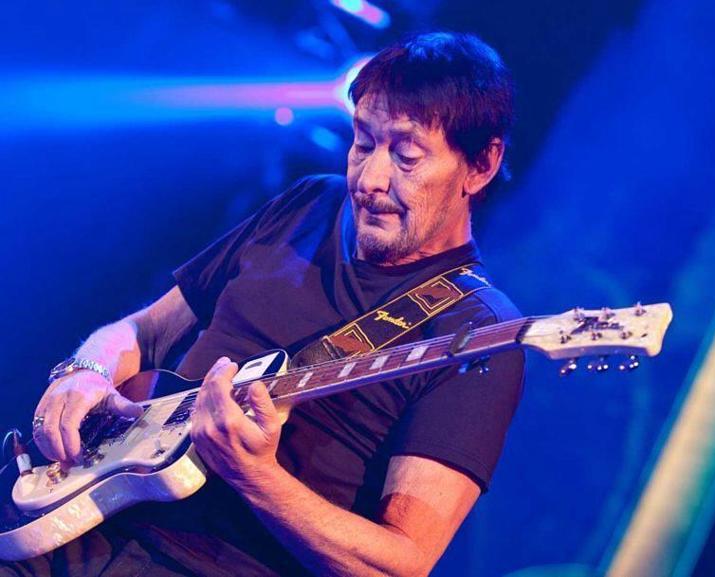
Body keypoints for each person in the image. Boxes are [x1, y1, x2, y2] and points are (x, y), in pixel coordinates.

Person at [7, 31, 525, 577]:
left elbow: (401, 564)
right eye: (363, 142)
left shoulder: (478, 333)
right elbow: (146, 331)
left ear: (481, 165)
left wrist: (256, 477)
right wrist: (86, 371)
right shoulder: (311, 203)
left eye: (406, 155)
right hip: (76, 523)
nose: (370, 179)